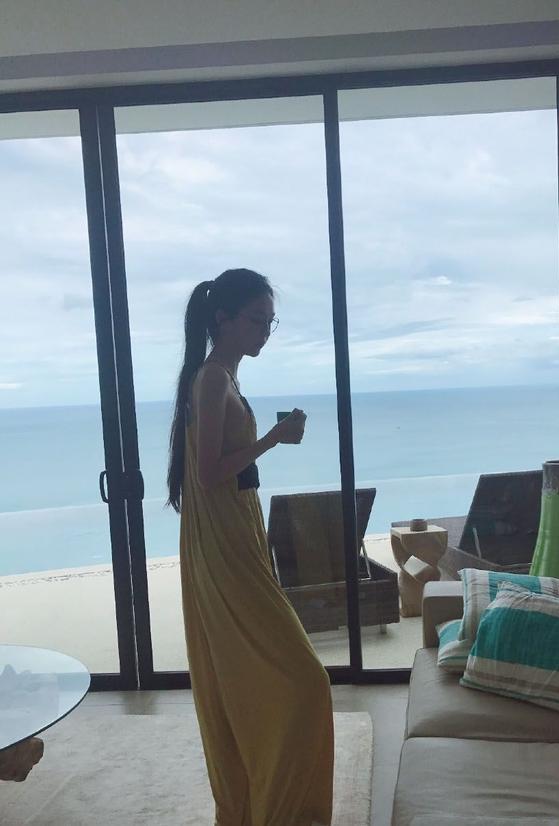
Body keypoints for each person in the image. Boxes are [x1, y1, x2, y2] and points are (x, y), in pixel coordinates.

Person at [167, 268, 334, 826]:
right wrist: (273, 439)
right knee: (306, 681)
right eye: (257, 320)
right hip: (223, 542)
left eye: (270, 322)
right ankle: (278, 807)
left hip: (237, 532)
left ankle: (267, 799)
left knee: (262, 673)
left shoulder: (224, 378)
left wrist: (269, 441)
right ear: (223, 319)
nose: (265, 331)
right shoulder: (212, 379)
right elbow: (209, 472)